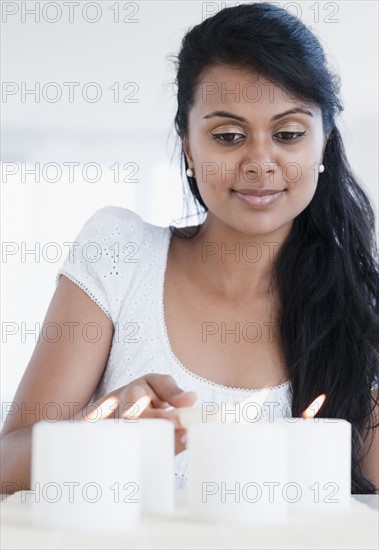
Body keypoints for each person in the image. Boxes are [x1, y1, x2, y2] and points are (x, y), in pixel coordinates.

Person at [1, 3, 378, 495]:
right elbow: (6, 462)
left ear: (323, 143)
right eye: (228, 136)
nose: (260, 162)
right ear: (188, 147)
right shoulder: (120, 253)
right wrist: (103, 435)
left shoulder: (359, 309)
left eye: (288, 134)